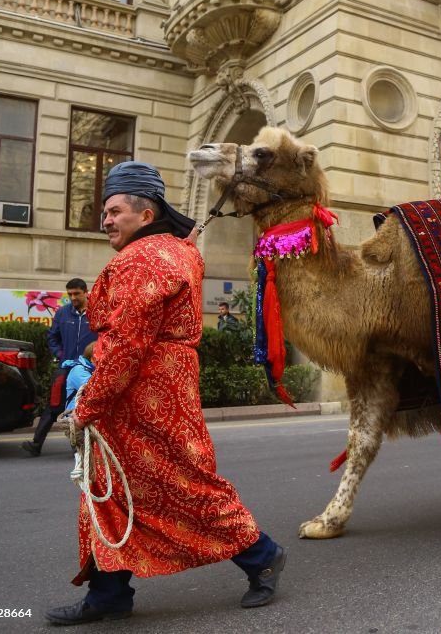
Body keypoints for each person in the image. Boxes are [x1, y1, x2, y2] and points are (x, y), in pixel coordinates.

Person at [45, 162, 286, 625]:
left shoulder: (142, 260)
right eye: (106, 211)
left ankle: (264, 555)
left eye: (115, 211)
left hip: (145, 392)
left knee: (183, 485)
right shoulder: (174, 253)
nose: (107, 220)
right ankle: (108, 593)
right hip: (158, 386)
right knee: (109, 488)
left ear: (146, 214)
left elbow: (126, 345)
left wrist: (85, 406)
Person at [21, 277, 98, 457]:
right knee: (54, 404)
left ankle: (82, 446)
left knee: (87, 404)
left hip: (90, 368)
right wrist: (60, 354)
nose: (73, 297)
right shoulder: (63, 313)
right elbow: (52, 337)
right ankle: (36, 444)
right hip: (66, 366)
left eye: (76, 294)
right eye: (69, 294)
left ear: (86, 293)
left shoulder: (97, 313)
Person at [61, 341, 97, 418]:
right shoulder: (79, 371)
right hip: (75, 417)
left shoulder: (91, 368)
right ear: (92, 358)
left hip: (85, 415)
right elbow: (95, 391)